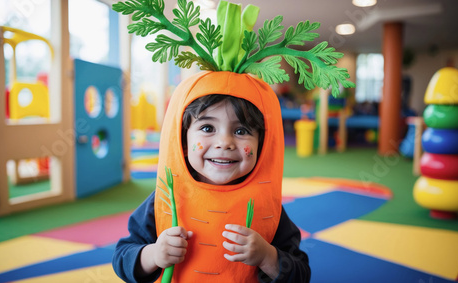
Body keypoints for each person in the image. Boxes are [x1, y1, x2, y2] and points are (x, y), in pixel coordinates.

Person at [113, 71, 311, 283]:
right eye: (207, 128)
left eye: (242, 131)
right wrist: (153, 255)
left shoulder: (267, 206)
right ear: (184, 143)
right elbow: (122, 257)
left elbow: (300, 274)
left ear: (260, 145)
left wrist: (267, 257)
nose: (224, 142)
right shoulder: (166, 199)